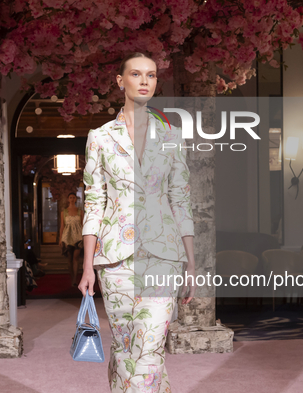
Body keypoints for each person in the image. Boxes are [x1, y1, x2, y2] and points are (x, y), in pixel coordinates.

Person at [78, 52, 196, 393]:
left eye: (151, 75)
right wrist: (88, 266)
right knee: (127, 348)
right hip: (114, 260)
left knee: (149, 347)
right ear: (121, 81)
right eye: (136, 74)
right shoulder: (100, 138)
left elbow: (181, 200)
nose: (145, 80)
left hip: (163, 255)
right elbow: (95, 203)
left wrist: (191, 262)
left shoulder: (172, 137)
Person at [60, 192, 83, 286]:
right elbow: (62, 226)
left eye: (74, 197)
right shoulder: (64, 212)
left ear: (76, 199)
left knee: (76, 258)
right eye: (70, 197)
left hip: (78, 236)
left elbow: (83, 224)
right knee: (69, 258)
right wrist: (60, 239)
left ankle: (75, 279)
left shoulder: (80, 211)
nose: (72, 199)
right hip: (67, 237)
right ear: (68, 199)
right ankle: (71, 276)